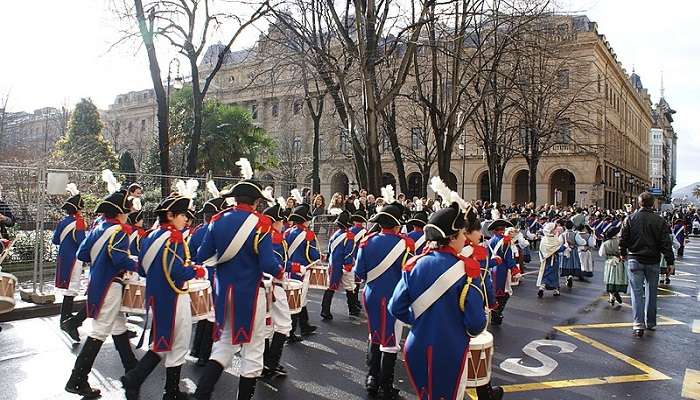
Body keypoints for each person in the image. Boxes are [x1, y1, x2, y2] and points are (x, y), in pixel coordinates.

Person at [389, 185, 503, 400]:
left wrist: (420, 321)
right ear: (451, 237)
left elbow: (396, 307)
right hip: (450, 348)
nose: (464, 238)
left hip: (416, 346)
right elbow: (477, 322)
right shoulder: (467, 269)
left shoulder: (415, 264)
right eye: (461, 233)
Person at [191, 158, 286, 400]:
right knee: (253, 350)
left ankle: (202, 394)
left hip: (223, 292)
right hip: (250, 294)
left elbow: (202, 255)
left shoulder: (217, 220)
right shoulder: (261, 224)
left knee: (224, 344)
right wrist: (280, 272)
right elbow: (267, 263)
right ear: (255, 202)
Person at [121, 186, 207, 400]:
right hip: (174, 295)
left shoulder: (151, 235)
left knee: (164, 342)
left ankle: (160, 387)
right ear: (170, 215)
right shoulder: (173, 238)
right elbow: (177, 270)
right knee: (176, 342)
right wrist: (196, 270)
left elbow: (142, 268)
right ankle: (159, 387)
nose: (187, 220)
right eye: (184, 215)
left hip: (158, 295)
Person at [64, 175, 138, 398]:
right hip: (111, 285)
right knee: (99, 332)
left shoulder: (98, 228)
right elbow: (119, 259)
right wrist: (139, 264)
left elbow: (83, 253)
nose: (128, 215)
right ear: (119, 212)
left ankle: (133, 372)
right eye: (126, 211)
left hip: (99, 282)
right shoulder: (118, 231)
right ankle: (77, 379)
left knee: (118, 327)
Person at [354, 185, 413, 399]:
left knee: (374, 333)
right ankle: (386, 385)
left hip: (371, 295)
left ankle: (371, 378)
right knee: (391, 341)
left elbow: (359, 273)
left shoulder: (366, 242)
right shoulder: (405, 245)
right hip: (393, 297)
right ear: (397, 224)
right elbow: (408, 277)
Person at [619, 192, 675, 338]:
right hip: (653, 260)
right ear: (653, 203)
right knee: (651, 291)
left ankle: (638, 324)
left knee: (636, 293)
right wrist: (670, 261)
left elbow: (623, 238)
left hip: (634, 259)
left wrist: (622, 253)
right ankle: (651, 322)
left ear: (639, 203)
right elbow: (666, 243)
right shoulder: (659, 221)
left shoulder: (630, 218)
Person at [189, 181, 229, 366]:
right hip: (214, 276)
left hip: (200, 277)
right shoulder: (220, 230)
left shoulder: (196, 231)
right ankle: (205, 354)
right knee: (212, 315)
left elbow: (190, 253)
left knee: (203, 315)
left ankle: (196, 349)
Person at [261, 198, 293, 378]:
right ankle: (271, 363)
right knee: (284, 325)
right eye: (281, 221)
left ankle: (265, 363)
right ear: (275, 222)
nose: (283, 225)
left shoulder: (275, 237)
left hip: (269, 285)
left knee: (268, 326)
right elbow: (271, 264)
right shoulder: (272, 238)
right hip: (273, 286)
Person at [284, 189, 321, 342]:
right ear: (305, 220)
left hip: (289, 269)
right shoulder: (308, 234)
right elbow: (313, 255)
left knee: (299, 299)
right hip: (302, 270)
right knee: (296, 300)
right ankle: (291, 332)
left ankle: (304, 325)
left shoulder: (287, 232)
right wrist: (319, 257)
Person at [54, 184, 87, 337]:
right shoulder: (78, 222)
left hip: (63, 257)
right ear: (78, 209)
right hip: (74, 258)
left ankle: (64, 319)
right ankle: (65, 320)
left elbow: (55, 240)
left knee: (67, 288)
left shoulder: (62, 222)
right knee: (71, 289)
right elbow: (82, 242)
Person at [321, 210, 360, 320]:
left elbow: (329, 249)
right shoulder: (349, 236)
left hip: (333, 264)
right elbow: (349, 252)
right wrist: (348, 265)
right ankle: (352, 309)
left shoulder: (335, 234)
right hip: (343, 265)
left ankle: (325, 310)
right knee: (350, 287)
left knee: (330, 287)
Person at [487, 219, 516, 326]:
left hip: (492, 269)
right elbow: (508, 257)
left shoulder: (490, 241)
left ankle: (494, 314)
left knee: (494, 293)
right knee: (505, 293)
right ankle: (497, 314)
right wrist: (514, 269)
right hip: (502, 270)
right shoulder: (505, 241)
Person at [599, 225, 627, 306]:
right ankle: (616, 292)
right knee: (618, 278)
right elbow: (626, 252)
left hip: (609, 262)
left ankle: (611, 297)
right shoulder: (621, 242)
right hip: (619, 262)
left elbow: (601, 253)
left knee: (610, 279)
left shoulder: (605, 243)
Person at [537, 222, 563, 298]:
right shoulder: (553, 239)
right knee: (554, 274)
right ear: (551, 230)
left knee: (546, 273)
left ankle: (542, 287)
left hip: (546, 260)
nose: (556, 230)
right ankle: (556, 289)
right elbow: (558, 249)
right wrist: (565, 247)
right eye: (555, 228)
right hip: (553, 260)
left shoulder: (544, 239)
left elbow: (542, 250)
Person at [559, 220, 582, 288]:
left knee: (565, 264)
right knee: (573, 263)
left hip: (565, 251)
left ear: (565, 227)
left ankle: (567, 277)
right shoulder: (576, 234)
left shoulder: (562, 235)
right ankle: (571, 276)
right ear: (572, 226)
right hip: (573, 250)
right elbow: (581, 242)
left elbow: (560, 243)